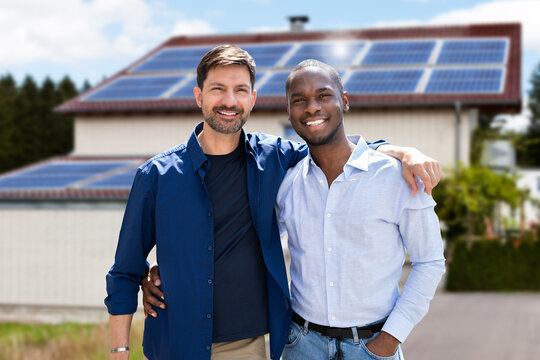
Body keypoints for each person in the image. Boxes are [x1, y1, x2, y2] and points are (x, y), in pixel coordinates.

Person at [108, 45, 440, 360]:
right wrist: (124, 337)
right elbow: (124, 268)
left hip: (248, 346)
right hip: (175, 343)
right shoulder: (157, 175)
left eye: (240, 90)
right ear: (198, 96)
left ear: (252, 99)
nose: (229, 100)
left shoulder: (275, 160)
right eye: (217, 89)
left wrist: (400, 152)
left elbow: (337, 146)